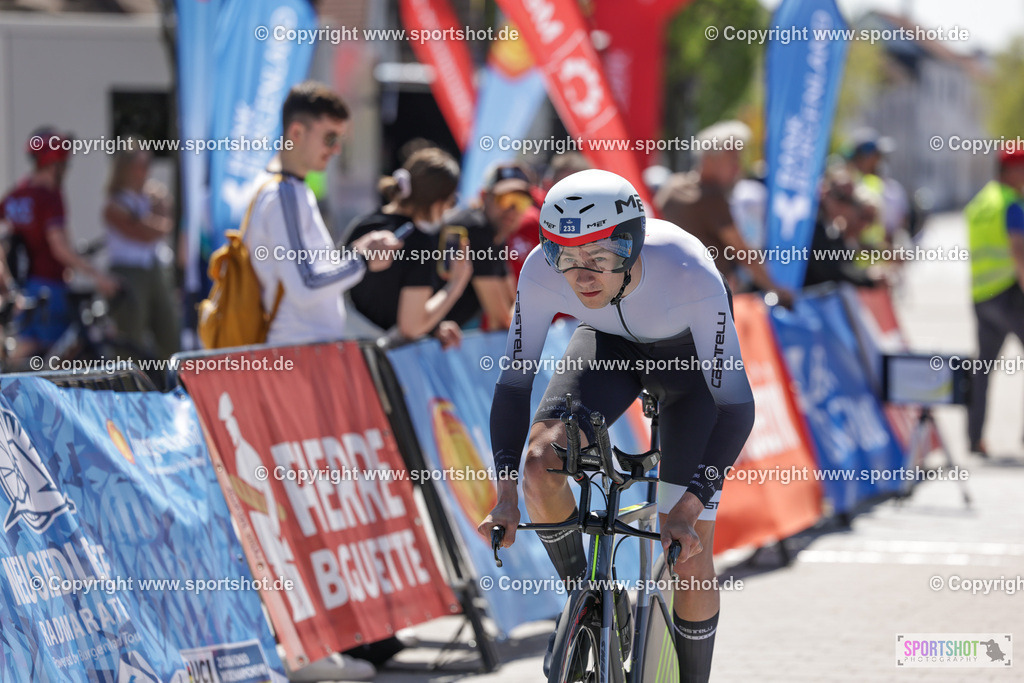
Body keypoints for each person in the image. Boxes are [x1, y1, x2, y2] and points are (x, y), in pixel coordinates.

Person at [478, 169, 755, 682]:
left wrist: (688, 507)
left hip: (691, 372)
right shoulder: (540, 271)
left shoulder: (689, 270)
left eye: (599, 259)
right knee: (539, 466)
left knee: (688, 557)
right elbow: (514, 386)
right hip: (610, 351)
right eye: (566, 256)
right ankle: (589, 598)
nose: (581, 276)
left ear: (631, 245)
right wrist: (506, 493)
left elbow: (737, 407)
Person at [244, 82, 399, 352]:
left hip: (302, 355)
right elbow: (306, 285)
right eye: (330, 138)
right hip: (295, 359)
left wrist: (357, 253)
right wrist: (361, 257)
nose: (336, 149)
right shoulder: (283, 194)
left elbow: (309, 274)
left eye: (339, 139)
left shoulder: (291, 190)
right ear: (296, 132)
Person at [0, 128, 118, 359]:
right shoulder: (50, 196)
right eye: (65, 162)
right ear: (54, 162)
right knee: (61, 359)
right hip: (50, 288)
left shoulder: (16, 195)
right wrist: (97, 276)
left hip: (24, 291)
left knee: (25, 354)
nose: (67, 168)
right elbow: (59, 247)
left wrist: (7, 285)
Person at [655, 121, 794, 307]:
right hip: (705, 300)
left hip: (668, 294)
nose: (738, 168)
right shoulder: (710, 196)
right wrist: (775, 289)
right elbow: (744, 252)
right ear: (709, 159)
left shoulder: (672, 186)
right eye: (733, 159)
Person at [344, 147, 471, 347]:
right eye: (451, 200)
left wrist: (433, 328)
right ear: (437, 202)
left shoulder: (364, 224)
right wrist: (456, 285)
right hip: (377, 361)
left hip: (342, 349)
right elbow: (410, 327)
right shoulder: (419, 243)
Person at [963, 147, 1024, 457]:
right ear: (1009, 171)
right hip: (1010, 294)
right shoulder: (1011, 204)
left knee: (983, 367)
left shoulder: (980, 202)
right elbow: (1018, 251)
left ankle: (974, 439)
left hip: (981, 296)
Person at [102, 141, 180, 359]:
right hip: (129, 273)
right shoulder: (114, 202)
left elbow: (163, 226)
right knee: (130, 338)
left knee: (169, 332)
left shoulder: (151, 196)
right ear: (126, 167)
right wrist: (154, 221)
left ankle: (169, 386)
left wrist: (154, 217)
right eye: (141, 164)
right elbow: (144, 232)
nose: (146, 170)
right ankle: (128, 389)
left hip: (156, 269)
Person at [437, 162, 531, 330]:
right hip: (419, 339)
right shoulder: (476, 229)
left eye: (521, 201)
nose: (512, 209)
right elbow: (502, 321)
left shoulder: (495, 233)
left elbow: (514, 303)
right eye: (505, 199)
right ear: (483, 196)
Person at [508, 152, 590, 282]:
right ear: (548, 184)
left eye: (579, 190)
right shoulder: (529, 222)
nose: (571, 197)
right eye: (564, 187)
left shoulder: (593, 226)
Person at [803, 170, 884, 289]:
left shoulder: (833, 230)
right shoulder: (809, 223)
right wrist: (867, 277)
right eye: (840, 196)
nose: (845, 206)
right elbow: (829, 268)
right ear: (824, 190)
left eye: (850, 200)